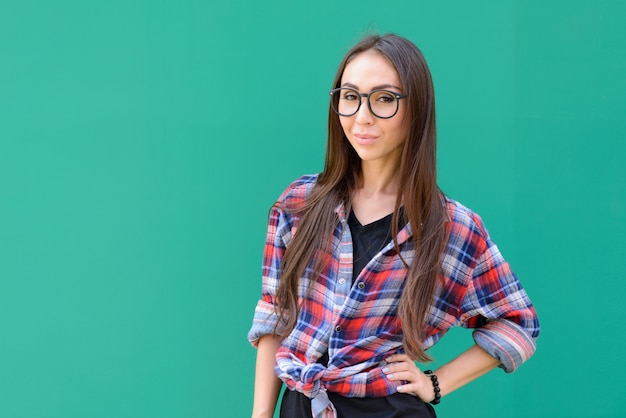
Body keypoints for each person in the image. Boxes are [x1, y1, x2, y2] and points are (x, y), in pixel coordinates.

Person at [248, 33, 539, 418]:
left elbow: (518, 323)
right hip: (303, 407)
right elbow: (275, 316)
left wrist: (436, 383)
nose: (362, 116)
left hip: (392, 409)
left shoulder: (452, 228)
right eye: (350, 97)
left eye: (384, 99)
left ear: (416, 109)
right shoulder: (300, 203)